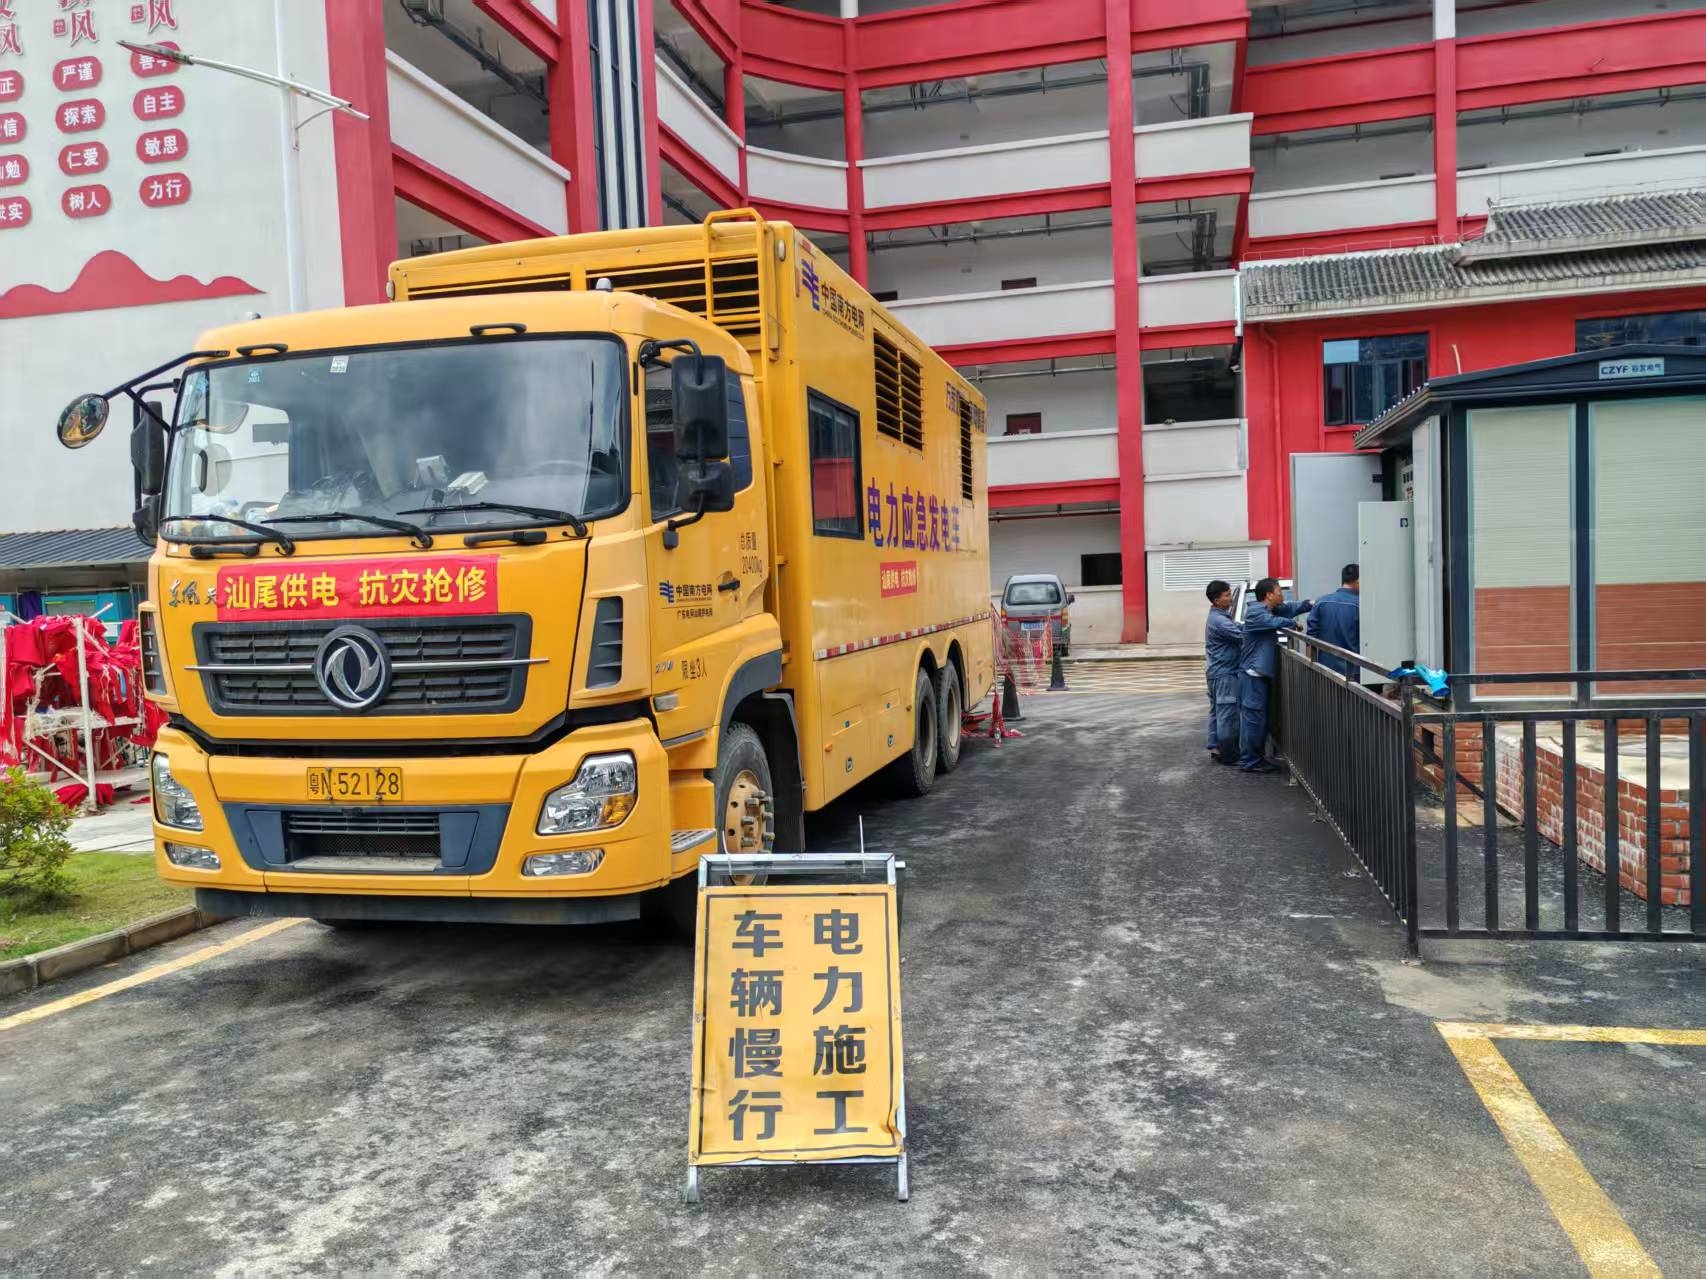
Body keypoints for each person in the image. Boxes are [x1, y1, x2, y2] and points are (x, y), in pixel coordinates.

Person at [1238, 578, 1312, 773]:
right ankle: (1250, 761)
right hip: (1253, 674)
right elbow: (1272, 622)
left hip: (1259, 673)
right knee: (1254, 719)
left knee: (1259, 718)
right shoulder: (1256, 612)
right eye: (1279, 591)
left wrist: (1308, 604)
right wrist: (1292, 623)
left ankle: (1256, 757)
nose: (1282, 595)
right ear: (1269, 595)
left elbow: (1288, 608)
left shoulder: (1269, 609)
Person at [1202, 579, 1243, 764]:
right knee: (1227, 714)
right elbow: (1242, 636)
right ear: (1216, 600)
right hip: (1224, 674)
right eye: (1227, 595)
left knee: (1217, 711)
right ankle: (1229, 755)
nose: (1230, 598)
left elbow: (1239, 627)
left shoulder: (1219, 617)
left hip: (1216, 672)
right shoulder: (1220, 621)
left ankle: (1216, 747)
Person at [1306, 563, 1361, 678]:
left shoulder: (1321, 601)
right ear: (1357, 581)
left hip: (1325, 669)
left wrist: (1310, 668)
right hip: (1353, 672)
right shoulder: (1360, 605)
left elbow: (1310, 638)